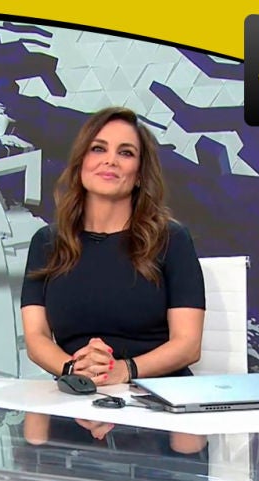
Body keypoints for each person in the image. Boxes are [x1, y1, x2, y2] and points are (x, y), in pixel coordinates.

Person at [20, 106, 206, 446]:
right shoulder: (46, 243)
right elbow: (36, 337)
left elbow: (188, 345)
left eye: (126, 153)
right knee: (33, 439)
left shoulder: (172, 239)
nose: (110, 160)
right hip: (76, 394)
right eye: (98, 148)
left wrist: (123, 370)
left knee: (183, 446)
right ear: (81, 163)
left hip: (158, 398)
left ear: (140, 174)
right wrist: (75, 371)